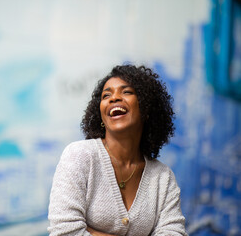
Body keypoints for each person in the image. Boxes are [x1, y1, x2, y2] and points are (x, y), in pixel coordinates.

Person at [47, 64, 187, 236]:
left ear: (147, 108)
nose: (114, 98)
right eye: (106, 95)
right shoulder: (79, 156)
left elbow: (174, 233)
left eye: (126, 92)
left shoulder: (163, 178)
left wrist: (91, 232)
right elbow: (64, 232)